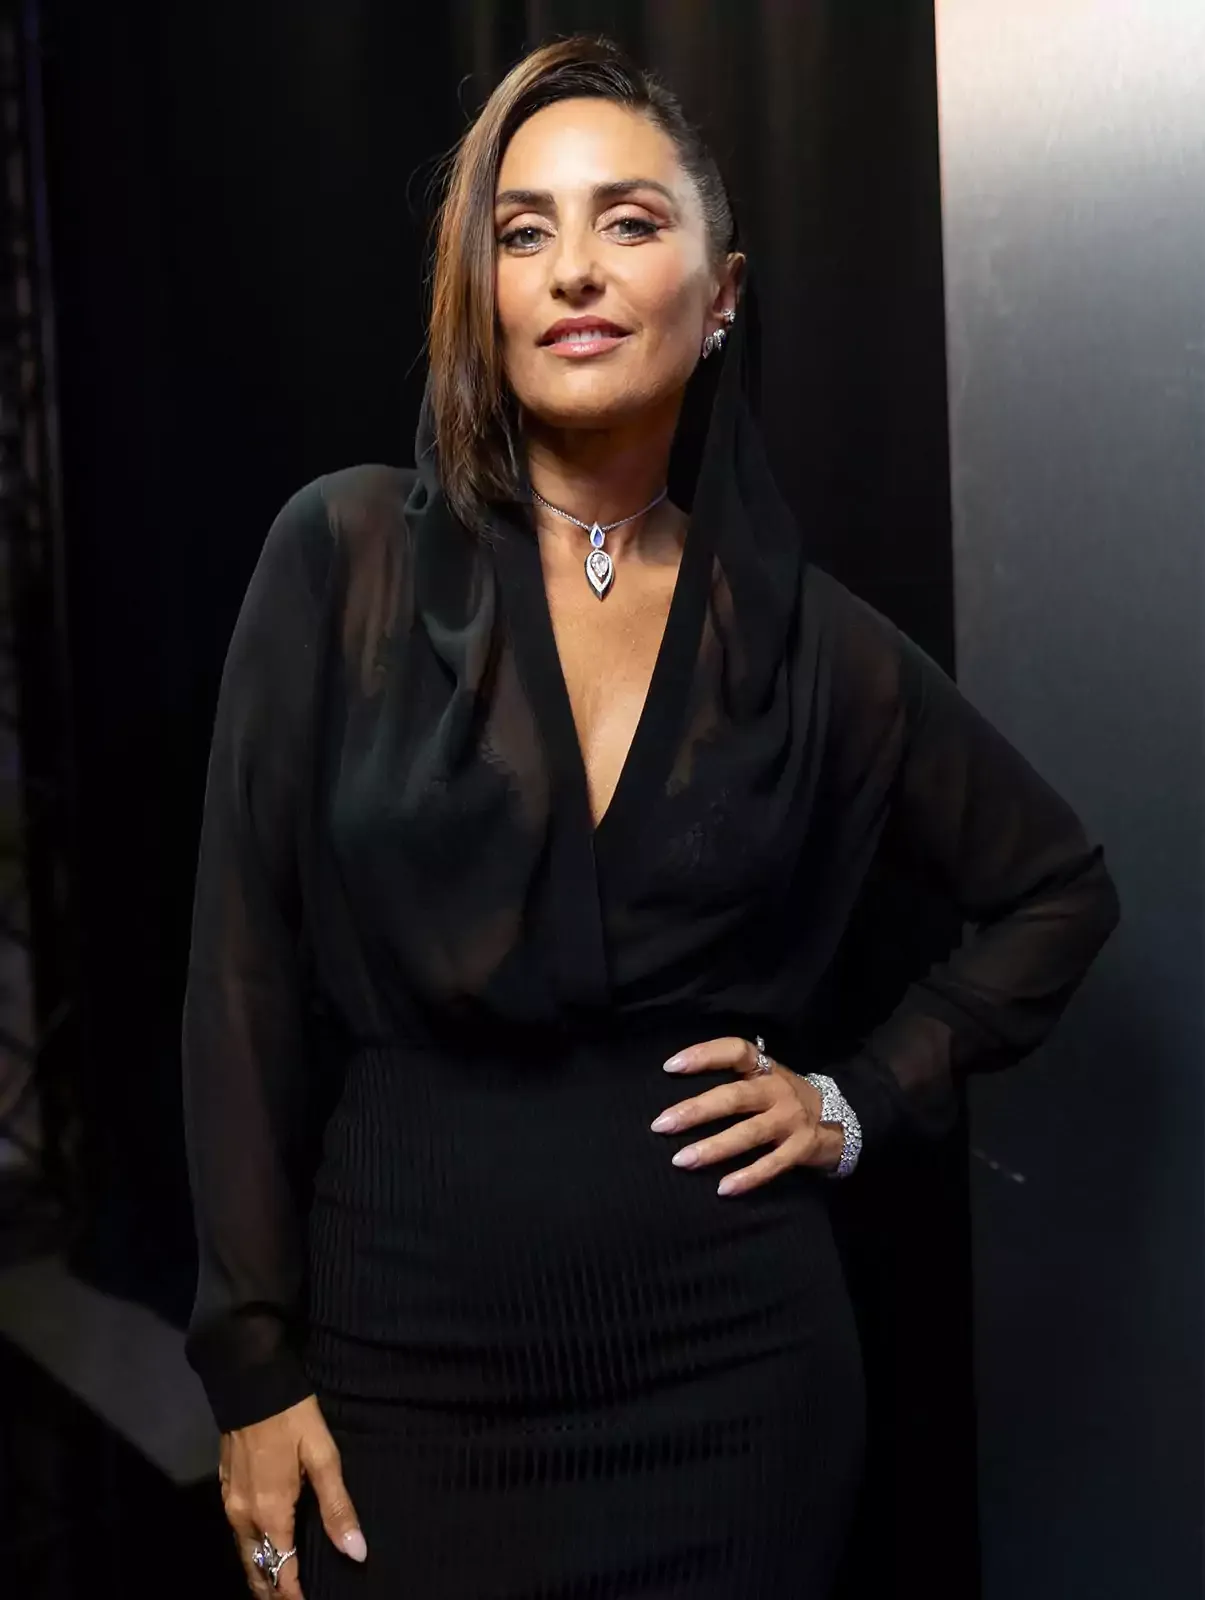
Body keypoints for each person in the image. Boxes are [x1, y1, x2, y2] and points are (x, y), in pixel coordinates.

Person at [181, 34, 1120, 1600]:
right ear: (482, 292)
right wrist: (250, 1366)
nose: (574, 270)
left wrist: (856, 1100)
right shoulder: (343, 562)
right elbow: (239, 976)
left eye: (628, 221)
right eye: (523, 231)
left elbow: (1059, 887)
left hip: (733, 1391)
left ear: (721, 290)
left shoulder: (807, 643)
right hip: (402, 1382)